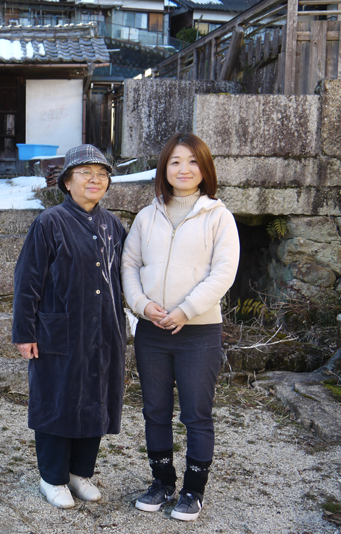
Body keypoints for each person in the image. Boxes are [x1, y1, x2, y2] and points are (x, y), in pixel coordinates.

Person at [121, 132, 240, 521]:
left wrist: (187, 310)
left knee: (196, 414)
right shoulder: (146, 215)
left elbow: (223, 273)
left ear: (204, 168)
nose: (183, 169)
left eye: (192, 161)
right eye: (175, 162)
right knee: (155, 410)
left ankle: (193, 490)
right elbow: (129, 265)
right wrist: (140, 305)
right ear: (164, 169)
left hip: (198, 332)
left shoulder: (218, 217)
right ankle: (162, 482)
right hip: (152, 330)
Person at [12, 144, 127, 509]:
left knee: (97, 398)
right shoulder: (50, 222)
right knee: (57, 399)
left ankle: (80, 472)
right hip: (58, 330)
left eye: (102, 174)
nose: (95, 180)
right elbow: (28, 280)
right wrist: (25, 331)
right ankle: (52, 478)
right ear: (66, 182)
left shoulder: (113, 226)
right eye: (85, 173)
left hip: (104, 329)